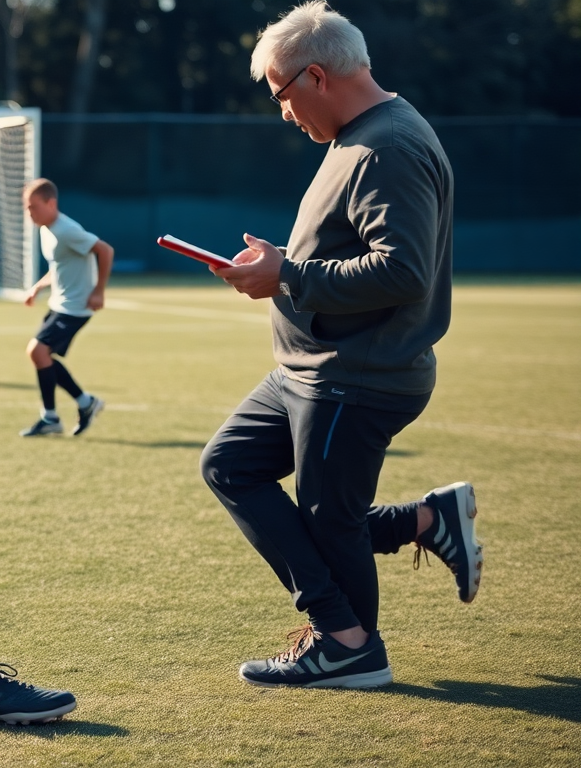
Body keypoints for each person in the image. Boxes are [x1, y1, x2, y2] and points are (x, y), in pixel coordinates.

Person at [199, 2, 481, 689]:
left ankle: (348, 644)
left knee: (331, 520)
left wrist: (287, 275)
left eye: (281, 95)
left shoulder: (388, 145)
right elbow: (350, 247)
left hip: (357, 376)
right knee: (231, 465)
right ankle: (426, 519)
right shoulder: (358, 137)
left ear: (315, 77)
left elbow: (403, 272)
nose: (284, 113)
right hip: (312, 369)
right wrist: (280, 263)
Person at [17, 179, 113, 437]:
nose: (29, 214)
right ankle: (83, 404)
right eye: (27, 208)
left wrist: (98, 291)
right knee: (43, 356)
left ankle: (52, 416)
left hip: (75, 307)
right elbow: (60, 265)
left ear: (51, 203)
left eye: (33, 207)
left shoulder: (66, 229)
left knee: (37, 351)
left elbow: (105, 250)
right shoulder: (45, 229)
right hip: (59, 302)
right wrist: (38, 287)